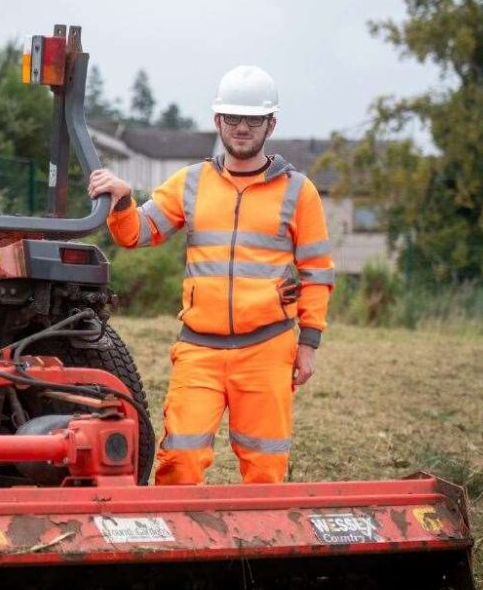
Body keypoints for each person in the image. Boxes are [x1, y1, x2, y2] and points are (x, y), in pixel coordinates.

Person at [88, 65, 334, 485]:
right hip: (199, 351)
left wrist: (308, 344)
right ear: (217, 120)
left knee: (265, 472)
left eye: (253, 120)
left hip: (268, 348)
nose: (242, 128)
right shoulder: (192, 183)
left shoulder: (299, 191)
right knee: (178, 465)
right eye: (233, 118)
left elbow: (317, 273)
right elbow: (137, 233)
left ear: (270, 124)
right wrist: (123, 200)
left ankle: (258, 549)